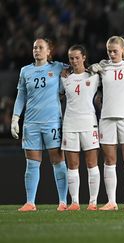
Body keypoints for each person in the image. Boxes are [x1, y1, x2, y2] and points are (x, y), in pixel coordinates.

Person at [11, 38, 68, 211]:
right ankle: (30, 202)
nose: (36, 50)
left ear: (49, 51)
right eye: (34, 47)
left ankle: (63, 202)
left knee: (58, 161)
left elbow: (78, 68)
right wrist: (15, 118)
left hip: (52, 121)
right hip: (31, 123)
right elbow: (21, 96)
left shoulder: (58, 67)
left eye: (40, 47)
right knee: (32, 163)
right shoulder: (25, 71)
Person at [89, 36, 124, 211]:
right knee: (109, 160)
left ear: (123, 49)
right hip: (106, 118)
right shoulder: (102, 66)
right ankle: (111, 202)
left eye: (115, 51)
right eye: (109, 51)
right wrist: (91, 68)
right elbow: (85, 76)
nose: (112, 54)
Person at [61, 45, 100, 211]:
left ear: (84, 57)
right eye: (71, 58)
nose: (74, 61)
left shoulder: (95, 76)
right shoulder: (64, 78)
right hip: (69, 123)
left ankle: (93, 202)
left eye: (77, 57)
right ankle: (75, 202)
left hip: (89, 123)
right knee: (72, 165)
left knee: (92, 164)